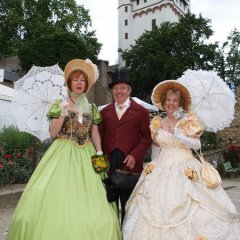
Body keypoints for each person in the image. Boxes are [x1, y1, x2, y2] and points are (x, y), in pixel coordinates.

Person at [7, 59, 121, 240]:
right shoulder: (60, 103)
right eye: (75, 80)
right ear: (69, 83)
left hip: (87, 153)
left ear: (87, 85)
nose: (79, 83)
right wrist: (62, 113)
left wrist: (99, 151)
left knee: (96, 200)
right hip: (63, 152)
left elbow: (95, 132)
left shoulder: (91, 108)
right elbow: (52, 133)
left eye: (82, 80)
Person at [122, 80, 240, 240]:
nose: (171, 103)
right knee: (154, 206)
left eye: (174, 100)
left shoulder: (188, 121)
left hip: (185, 168)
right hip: (161, 168)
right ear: (163, 102)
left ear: (180, 103)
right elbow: (157, 147)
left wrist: (180, 136)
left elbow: (197, 146)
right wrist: (152, 167)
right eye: (168, 100)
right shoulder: (157, 122)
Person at [99, 71, 152, 223]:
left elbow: (147, 137)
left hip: (130, 164)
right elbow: (100, 137)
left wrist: (135, 155)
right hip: (109, 163)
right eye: (116, 88)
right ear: (112, 91)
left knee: (129, 205)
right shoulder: (104, 112)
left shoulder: (141, 111)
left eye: (122, 88)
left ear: (129, 91)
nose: (119, 91)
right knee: (109, 205)